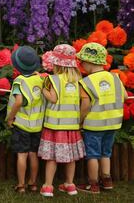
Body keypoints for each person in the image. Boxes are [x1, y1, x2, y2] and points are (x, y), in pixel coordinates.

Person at [76, 43, 128, 194]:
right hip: (113, 123)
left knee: (92, 154)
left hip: (94, 125)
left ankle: (93, 184)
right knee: (106, 153)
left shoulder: (86, 82)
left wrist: (79, 120)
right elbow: (124, 96)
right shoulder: (115, 76)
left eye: (82, 61)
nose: (81, 64)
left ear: (89, 62)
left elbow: (85, 105)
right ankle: (107, 181)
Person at [38, 45, 86, 197]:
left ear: (57, 64)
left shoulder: (52, 79)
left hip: (54, 126)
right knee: (71, 157)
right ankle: (70, 185)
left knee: (52, 157)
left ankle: (47, 187)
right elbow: (82, 101)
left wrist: (42, 87)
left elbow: (52, 98)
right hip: (71, 125)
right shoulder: (78, 80)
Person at [6, 46, 44, 193]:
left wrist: (10, 118)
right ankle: (33, 183)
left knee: (22, 155)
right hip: (37, 124)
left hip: (21, 124)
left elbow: (18, 101)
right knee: (33, 154)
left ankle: (21, 185)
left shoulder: (19, 82)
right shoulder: (39, 79)